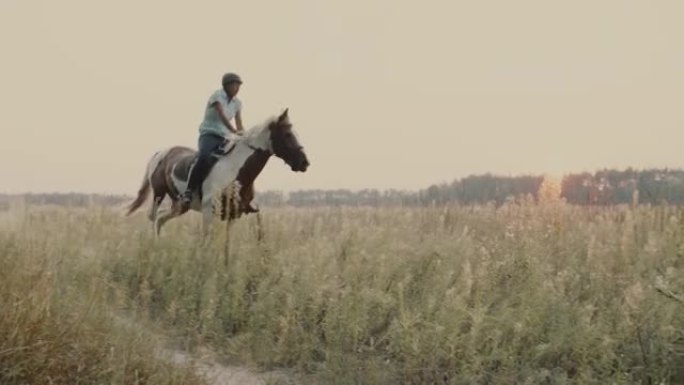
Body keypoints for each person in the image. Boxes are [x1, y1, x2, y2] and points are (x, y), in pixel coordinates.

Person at [179, 72, 255, 211]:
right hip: (209, 135)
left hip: (225, 138)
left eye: (238, 85)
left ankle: (245, 198)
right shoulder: (217, 96)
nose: (237, 88)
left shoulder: (238, 103)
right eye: (234, 85)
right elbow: (222, 115)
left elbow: (239, 124)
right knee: (204, 157)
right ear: (226, 86)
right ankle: (189, 191)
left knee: (241, 160)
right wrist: (233, 131)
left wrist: (245, 137)